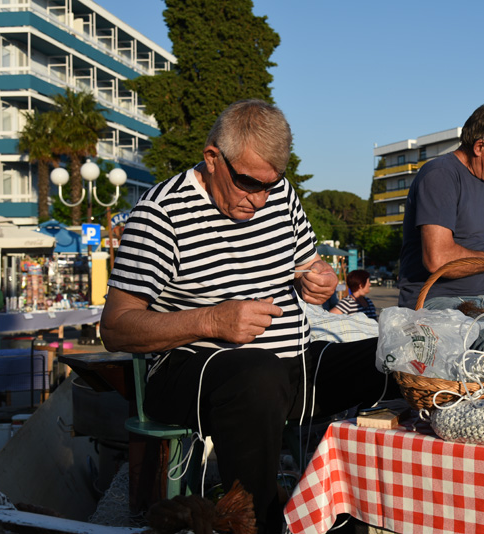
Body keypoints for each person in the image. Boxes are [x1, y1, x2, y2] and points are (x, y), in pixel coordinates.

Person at [100, 100, 395, 533]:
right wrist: (211, 321)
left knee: (394, 355)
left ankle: (371, 507)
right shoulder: (160, 215)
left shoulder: (280, 194)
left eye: (269, 186)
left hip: (290, 368)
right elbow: (115, 327)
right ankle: (259, 521)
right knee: (256, 375)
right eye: (247, 184)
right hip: (191, 373)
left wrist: (321, 281)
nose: (258, 200)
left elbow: (308, 269)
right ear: (212, 157)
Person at [398, 102, 484, 311]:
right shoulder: (441, 175)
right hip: (437, 300)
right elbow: (438, 260)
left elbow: (478, 254)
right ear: (480, 147)